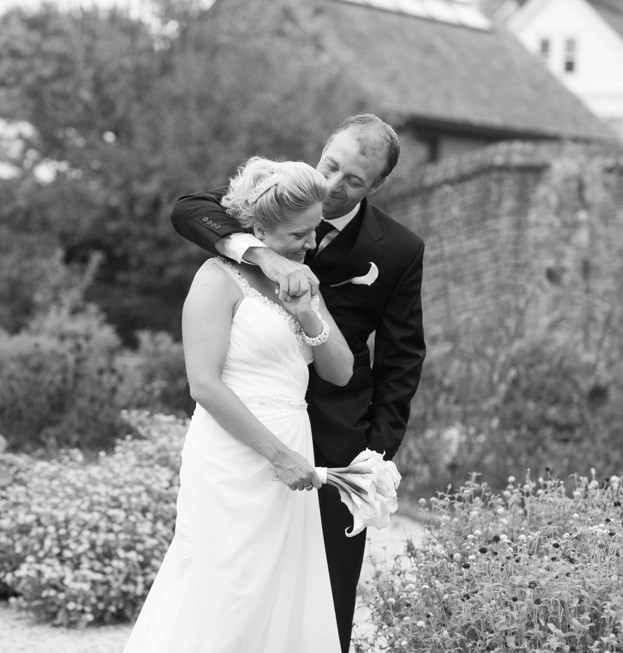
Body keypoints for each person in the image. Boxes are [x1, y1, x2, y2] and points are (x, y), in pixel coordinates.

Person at [170, 114, 426, 651]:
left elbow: (402, 359)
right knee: (234, 581)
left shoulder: (399, 249)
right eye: (330, 164)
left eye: (353, 180)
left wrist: (372, 455)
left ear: (376, 187)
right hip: (243, 427)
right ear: (322, 148)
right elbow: (189, 208)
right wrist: (257, 252)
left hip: (336, 434)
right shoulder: (272, 202)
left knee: (322, 593)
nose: (334, 185)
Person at [123, 157, 355, 653]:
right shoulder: (216, 279)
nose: (310, 244)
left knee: (284, 589)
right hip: (235, 455)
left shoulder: (302, 280)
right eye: (299, 234)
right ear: (256, 228)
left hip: (294, 443)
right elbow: (203, 386)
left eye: (314, 231)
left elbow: (340, 371)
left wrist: (308, 315)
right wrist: (278, 456)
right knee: (226, 589)